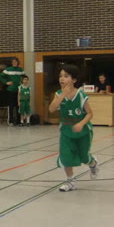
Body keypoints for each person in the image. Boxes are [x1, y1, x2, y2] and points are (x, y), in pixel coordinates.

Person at [48, 64, 99, 192]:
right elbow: (51, 109)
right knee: (65, 156)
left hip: (83, 130)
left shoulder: (80, 95)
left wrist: (81, 124)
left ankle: (93, 163)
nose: (62, 78)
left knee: (84, 157)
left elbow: (90, 113)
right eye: (60, 76)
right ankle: (71, 181)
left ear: (74, 80)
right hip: (66, 130)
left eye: (66, 76)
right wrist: (62, 95)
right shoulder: (58, 94)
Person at [0, 57, 24, 125]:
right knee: (11, 106)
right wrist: (6, 82)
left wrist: (22, 82)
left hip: (19, 90)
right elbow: (0, 76)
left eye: (15, 61)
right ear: (11, 63)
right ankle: (11, 121)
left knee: (19, 105)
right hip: (10, 90)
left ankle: (18, 121)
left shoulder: (20, 70)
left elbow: (24, 77)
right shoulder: (8, 69)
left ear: (18, 62)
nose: (14, 63)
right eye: (13, 62)